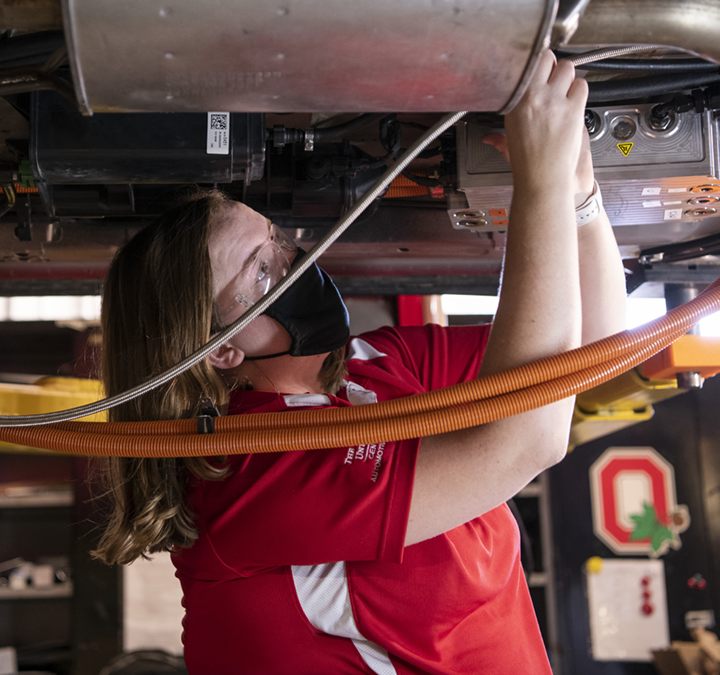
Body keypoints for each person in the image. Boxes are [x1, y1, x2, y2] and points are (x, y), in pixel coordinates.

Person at [94, 50, 627, 674]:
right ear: (220, 348)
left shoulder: (372, 368)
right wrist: (538, 182)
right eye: (261, 270)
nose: (293, 261)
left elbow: (594, 349)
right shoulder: (244, 478)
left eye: (278, 240)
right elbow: (524, 446)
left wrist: (577, 189)